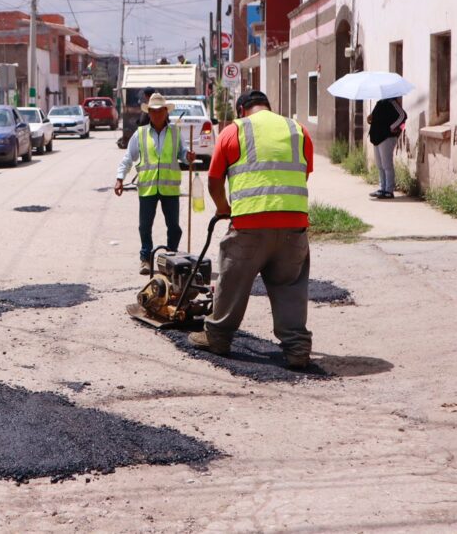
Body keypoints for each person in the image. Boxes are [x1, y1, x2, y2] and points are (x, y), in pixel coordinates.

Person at [188, 90, 315, 370]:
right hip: (293, 225)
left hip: (248, 226)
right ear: (268, 107)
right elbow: (302, 175)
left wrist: (223, 208)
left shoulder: (235, 131)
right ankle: (297, 349)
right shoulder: (298, 130)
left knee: (232, 281)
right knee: (289, 286)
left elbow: (213, 180)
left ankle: (218, 337)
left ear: (242, 109)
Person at [114, 93, 194, 274]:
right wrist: (120, 179)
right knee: (145, 226)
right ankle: (146, 258)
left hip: (170, 188)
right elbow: (128, 158)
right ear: (149, 113)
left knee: (174, 226)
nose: (157, 114)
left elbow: (183, 154)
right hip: (147, 188)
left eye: (160, 111)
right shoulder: (140, 134)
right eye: (153, 111)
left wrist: (188, 157)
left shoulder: (175, 132)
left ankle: (171, 257)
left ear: (166, 112)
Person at [367, 96, 406, 199]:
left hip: (387, 137)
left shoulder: (392, 102)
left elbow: (402, 116)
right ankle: (382, 188)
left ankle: (389, 190)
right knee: (380, 165)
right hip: (376, 137)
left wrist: (392, 127)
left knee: (387, 165)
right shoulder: (379, 102)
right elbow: (377, 118)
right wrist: (370, 118)